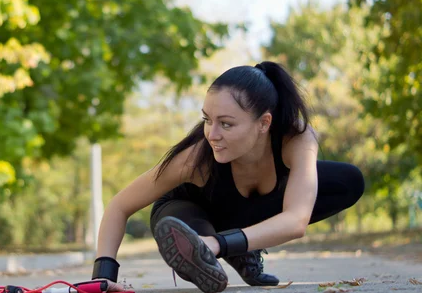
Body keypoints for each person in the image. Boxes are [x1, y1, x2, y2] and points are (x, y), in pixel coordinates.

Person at [89, 62, 365, 293]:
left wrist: (220, 244)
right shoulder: (195, 158)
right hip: (186, 214)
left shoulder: (297, 138)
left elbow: (297, 220)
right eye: (207, 119)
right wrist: (103, 276)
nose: (212, 134)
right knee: (190, 246)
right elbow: (119, 206)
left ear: (264, 123)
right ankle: (219, 249)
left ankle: (236, 245)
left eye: (226, 124)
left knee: (347, 180)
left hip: (245, 212)